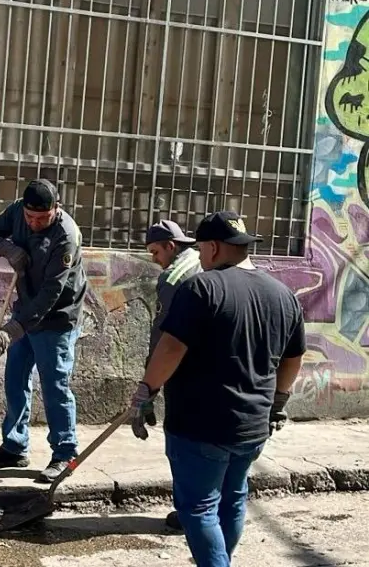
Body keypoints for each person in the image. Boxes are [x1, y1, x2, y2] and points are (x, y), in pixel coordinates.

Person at [129, 211, 306, 567]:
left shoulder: (202, 288)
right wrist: (279, 403)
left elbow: (170, 349)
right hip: (252, 427)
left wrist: (145, 390)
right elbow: (294, 358)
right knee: (233, 498)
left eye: (199, 249)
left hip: (199, 425)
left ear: (211, 248)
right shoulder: (283, 294)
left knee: (198, 509)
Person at [0, 178, 87, 483]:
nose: (35, 224)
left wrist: (11, 331)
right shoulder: (17, 212)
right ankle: (14, 446)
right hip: (24, 308)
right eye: (30, 218)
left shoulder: (66, 236)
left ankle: (65, 453)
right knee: (15, 378)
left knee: (55, 386)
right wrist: (8, 248)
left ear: (57, 209)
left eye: (42, 218)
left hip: (57, 318)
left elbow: (51, 294)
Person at [144, 219, 202, 531]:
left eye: (155, 252)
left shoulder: (173, 278)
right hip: (216, 370)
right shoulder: (204, 262)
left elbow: (162, 339)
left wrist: (147, 389)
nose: (154, 259)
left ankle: (188, 512)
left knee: (182, 445)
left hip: (183, 370)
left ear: (171, 246)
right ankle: (208, 510)